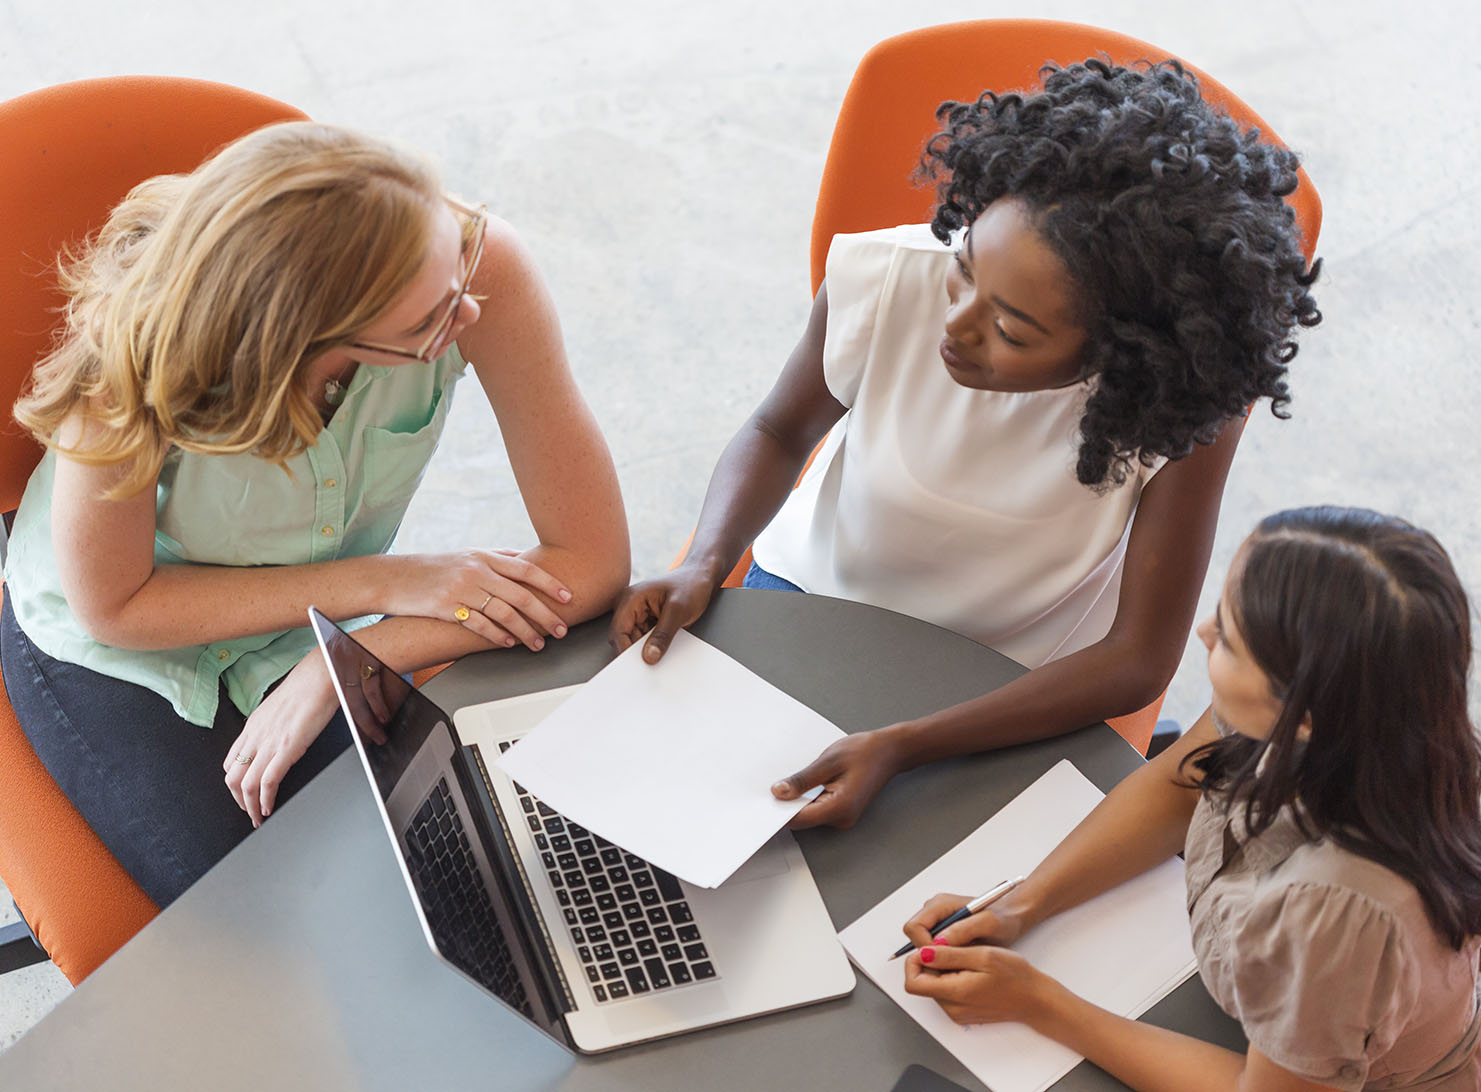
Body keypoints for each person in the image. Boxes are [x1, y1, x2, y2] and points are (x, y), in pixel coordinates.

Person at [608, 58, 1321, 829]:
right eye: (963, 269)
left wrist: (904, 744)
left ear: (1122, 354)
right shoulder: (888, 280)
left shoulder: (1175, 410)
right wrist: (705, 560)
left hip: (1018, 677)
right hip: (814, 598)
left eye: (1011, 328)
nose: (954, 323)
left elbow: (1138, 659)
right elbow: (777, 430)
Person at [0, 122, 629, 907]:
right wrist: (379, 583)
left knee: (438, 888)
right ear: (302, 339)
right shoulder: (136, 355)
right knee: (264, 929)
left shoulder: (471, 264)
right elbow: (116, 605)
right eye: (423, 327)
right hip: (119, 639)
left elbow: (591, 561)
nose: (467, 314)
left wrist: (339, 667)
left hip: (302, 630)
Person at [900, 506, 1481, 1091]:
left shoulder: (1337, 909)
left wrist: (1040, 1004)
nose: (1203, 631)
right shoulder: (1371, 714)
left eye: (1229, 636)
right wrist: (1024, 903)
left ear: (1303, 714)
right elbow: (1183, 783)